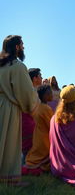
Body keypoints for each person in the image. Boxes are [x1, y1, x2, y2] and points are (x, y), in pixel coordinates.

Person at [0, 35, 38, 185]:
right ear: (17, 47)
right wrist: (31, 108)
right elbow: (26, 93)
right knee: (9, 144)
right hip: (8, 108)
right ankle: (9, 179)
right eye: (22, 44)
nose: (24, 47)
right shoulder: (17, 66)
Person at [23, 85, 54, 175]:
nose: (52, 95)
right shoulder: (45, 109)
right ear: (45, 96)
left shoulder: (40, 107)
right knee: (41, 158)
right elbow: (51, 125)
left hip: (38, 135)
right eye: (50, 93)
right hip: (44, 138)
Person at [22, 68, 42, 164]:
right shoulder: (30, 91)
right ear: (35, 78)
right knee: (28, 148)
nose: (41, 78)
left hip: (29, 121)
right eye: (40, 76)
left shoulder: (33, 90)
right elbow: (32, 109)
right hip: (28, 122)